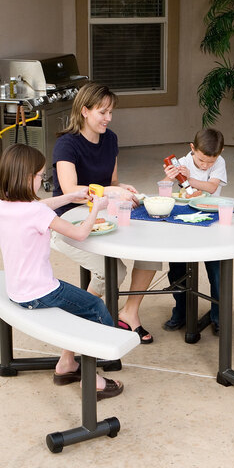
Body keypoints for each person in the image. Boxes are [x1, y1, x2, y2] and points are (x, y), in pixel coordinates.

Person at [0, 143, 123, 400]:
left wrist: (68, 198)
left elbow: (39, 207)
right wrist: (96, 208)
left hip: (18, 288)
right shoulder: (36, 211)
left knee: (80, 305)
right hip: (41, 292)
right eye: (40, 176)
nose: (43, 180)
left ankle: (67, 365)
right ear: (27, 178)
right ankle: (94, 376)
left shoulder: (1, 205)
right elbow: (80, 233)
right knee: (95, 309)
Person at [50, 82, 157, 343]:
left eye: (111, 112)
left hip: (102, 218)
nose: (108, 118)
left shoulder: (110, 140)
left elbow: (112, 182)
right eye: (102, 112)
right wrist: (110, 192)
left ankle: (130, 313)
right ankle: (79, 323)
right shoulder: (67, 145)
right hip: (68, 222)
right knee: (112, 272)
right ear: (84, 111)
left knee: (151, 253)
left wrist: (121, 188)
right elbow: (70, 189)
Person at [162, 129, 227, 335]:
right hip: (184, 219)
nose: (205, 165)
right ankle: (181, 311)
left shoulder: (219, 163)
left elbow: (210, 187)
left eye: (210, 161)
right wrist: (168, 177)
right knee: (177, 269)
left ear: (220, 153)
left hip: (211, 218)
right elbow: (163, 188)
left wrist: (190, 179)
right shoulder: (182, 162)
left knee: (216, 272)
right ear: (192, 148)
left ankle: (218, 316)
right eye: (201, 160)